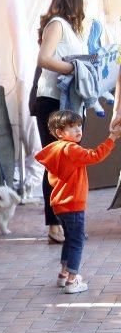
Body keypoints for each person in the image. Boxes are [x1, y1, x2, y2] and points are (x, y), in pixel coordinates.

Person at [35, 110, 118, 293]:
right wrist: (112, 138)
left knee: (70, 240)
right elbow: (95, 156)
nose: (78, 130)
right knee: (77, 241)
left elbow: (51, 180)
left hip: (59, 205)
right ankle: (73, 281)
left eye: (79, 126)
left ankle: (63, 275)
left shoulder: (55, 149)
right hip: (73, 204)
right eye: (71, 127)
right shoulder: (71, 149)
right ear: (59, 132)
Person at [35, 0, 88, 244]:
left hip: (69, 103)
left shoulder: (72, 28)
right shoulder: (57, 24)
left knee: (70, 165)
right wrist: (73, 69)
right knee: (57, 165)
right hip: (53, 102)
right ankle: (54, 223)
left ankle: (67, 222)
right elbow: (44, 59)